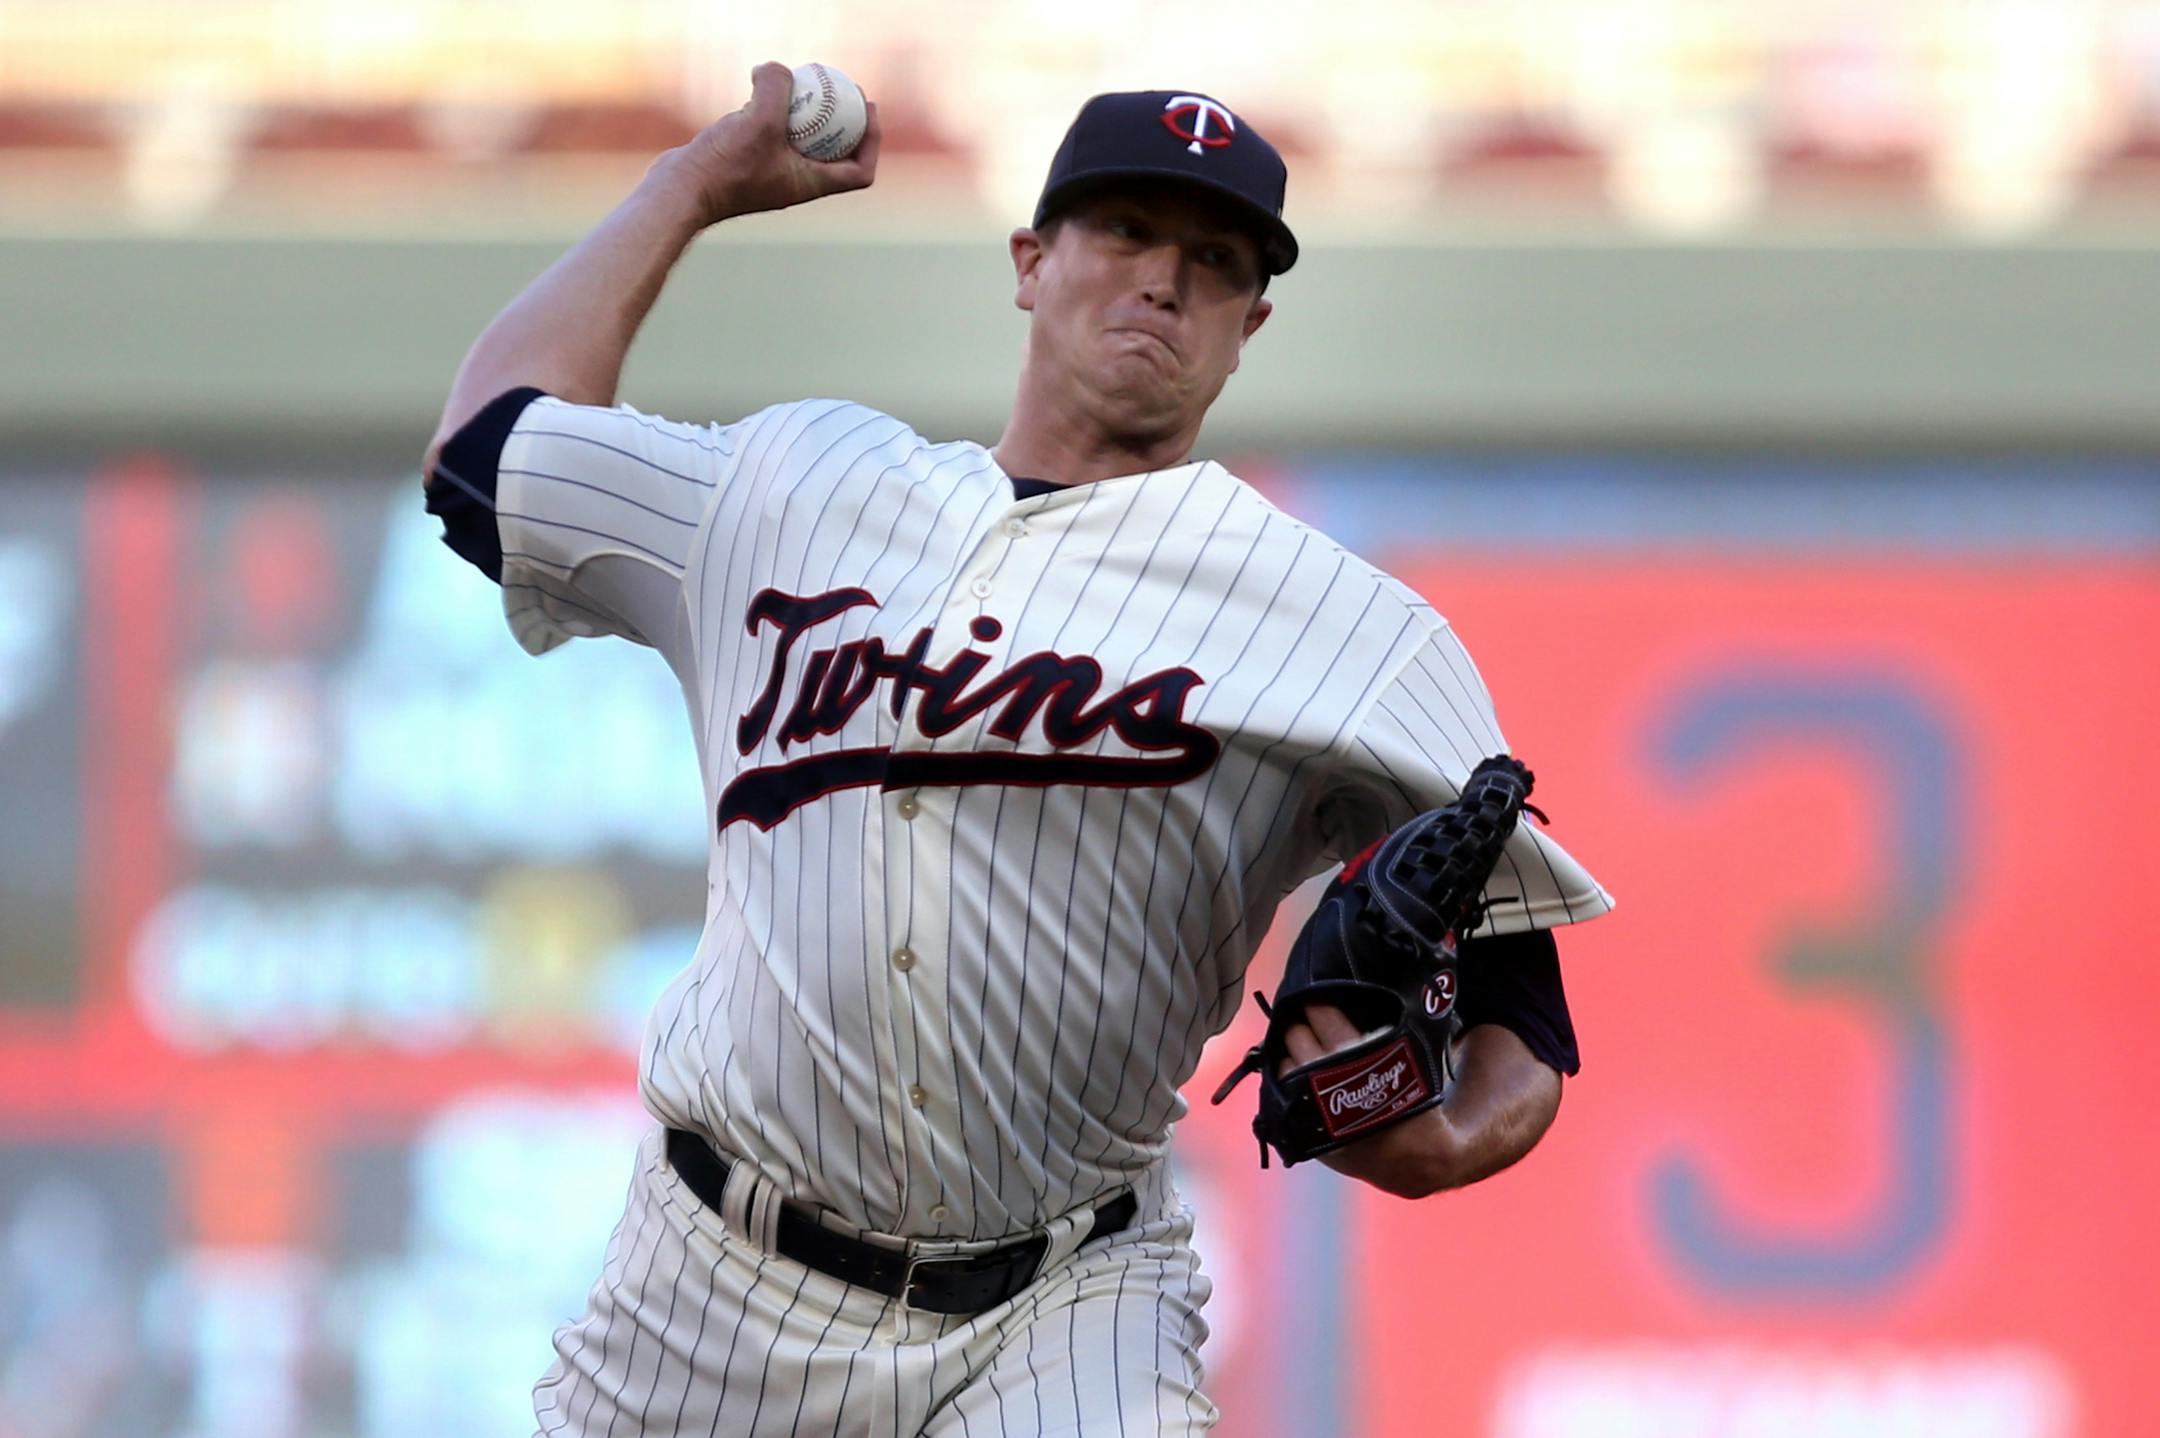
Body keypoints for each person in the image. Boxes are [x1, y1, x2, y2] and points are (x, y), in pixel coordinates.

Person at [423, 63, 1613, 1438]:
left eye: (1214, 261)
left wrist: (1452, 1136)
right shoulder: (796, 484)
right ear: (1031, 262)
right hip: (712, 1283)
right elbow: (487, 457)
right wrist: (686, 187)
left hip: (1066, 1303)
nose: (1164, 279)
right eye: (1123, 232)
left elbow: (1527, 1016)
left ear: (1249, 327)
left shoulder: (1352, 631)